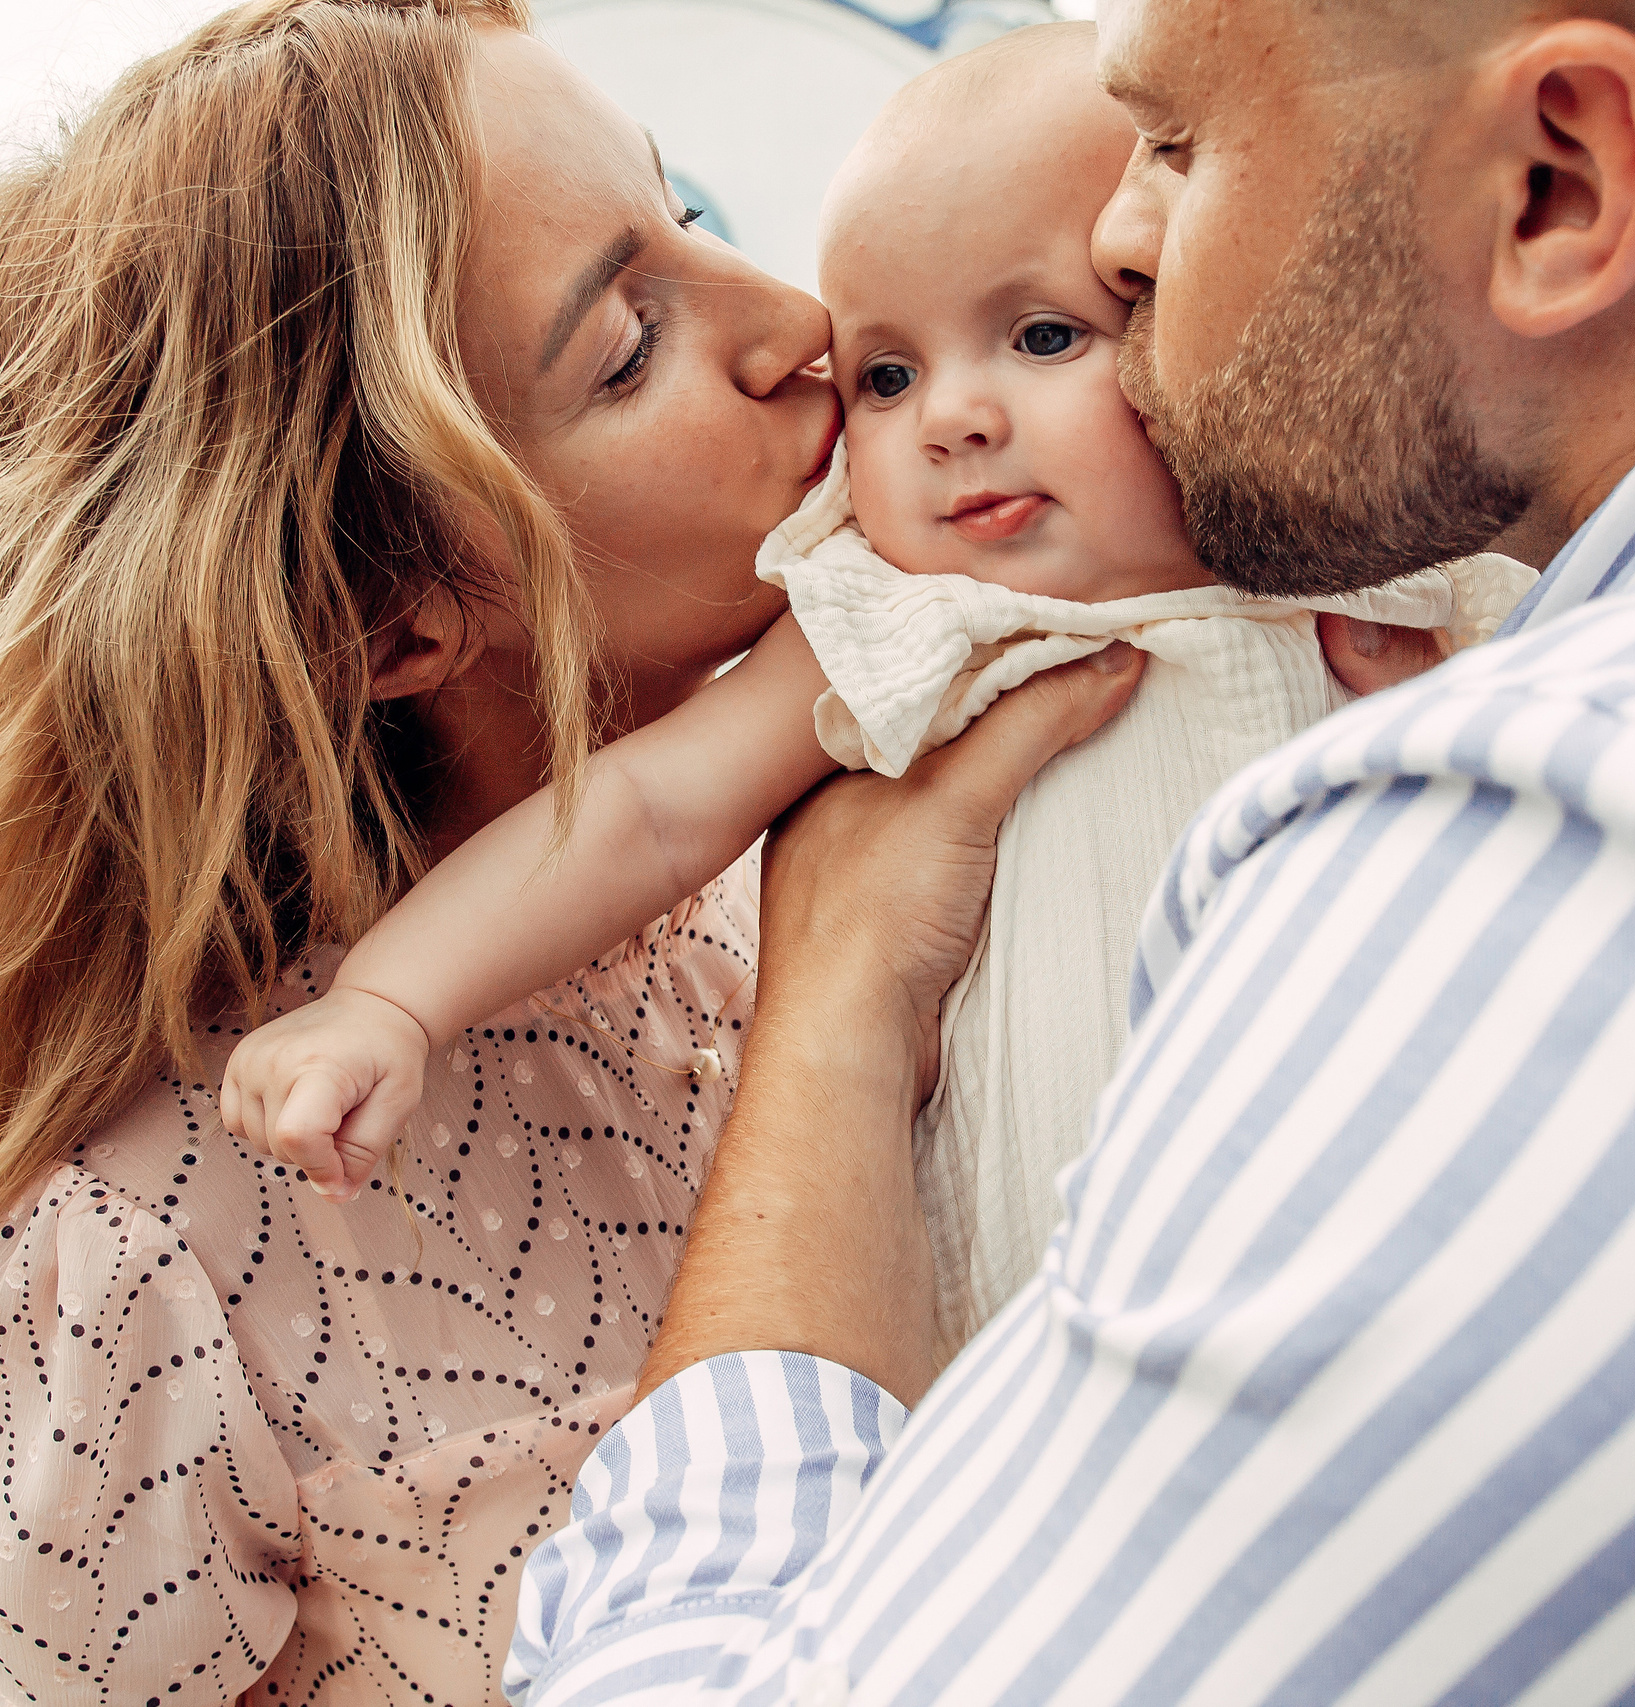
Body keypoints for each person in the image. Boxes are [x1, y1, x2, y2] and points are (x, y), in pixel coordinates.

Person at [502, 1, 1635, 1703]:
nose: (1121, 233)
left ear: (1557, 182)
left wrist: (833, 1013)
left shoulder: (1571, 889)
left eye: (1176, 145)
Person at [0, 4, 1142, 1702]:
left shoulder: (855, 826)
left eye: (693, 215)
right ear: (389, 618)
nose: (795, 323)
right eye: (627, 344)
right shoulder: (147, 1249)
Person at [217, 23, 1523, 1359]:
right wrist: (390, 1002)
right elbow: (651, 811)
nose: (949, 415)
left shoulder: (1371, 569)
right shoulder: (901, 614)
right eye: (890, 373)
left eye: (1042, 333)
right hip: (1044, 1324)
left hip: (1410, 1234)